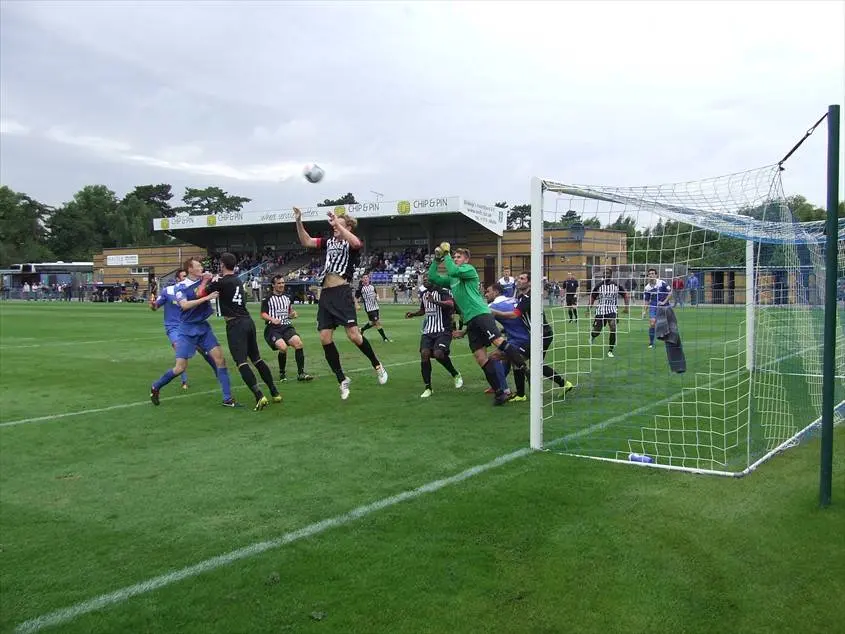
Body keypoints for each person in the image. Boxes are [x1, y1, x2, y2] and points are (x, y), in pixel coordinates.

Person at [293, 206, 388, 400]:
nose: (334, 226)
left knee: (354, 335)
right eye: (334, 224)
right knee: (324, 338)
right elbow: (306, 240)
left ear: (348, 227)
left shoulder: (350, 243)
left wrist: (338, 223)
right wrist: (298, 221)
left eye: (339, 224)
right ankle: (342, 379)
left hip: (342, 292)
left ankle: (377, 365)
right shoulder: (329, 242)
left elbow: (356, 242)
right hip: (326, 294)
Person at [428, 244, 526, 406]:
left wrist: (446, 254)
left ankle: (523, 367)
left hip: (481, 314)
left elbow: (452, 270)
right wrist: (436, 259)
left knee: (498, 342)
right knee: (481, 358)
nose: (456, 259)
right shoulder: (453, 278)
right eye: (455, 257)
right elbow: (433, 277)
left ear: (466, 259)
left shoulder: (468, 270)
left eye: (459, 257)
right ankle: (500, 393)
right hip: (470, 320)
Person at [196, 252, 281, 411]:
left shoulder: (221, 281)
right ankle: (274, 392)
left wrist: (206, 279)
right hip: (248, 321)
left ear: (222, 264)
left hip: (235, 324)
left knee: (241, 362)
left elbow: (200, 294)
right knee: (257, 359)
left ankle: (259, 395)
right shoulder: (236, 279)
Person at [150, 258, 235, 407]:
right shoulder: (180, 287)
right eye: (198, 266)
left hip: (203, 327)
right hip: (186, 330)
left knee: (220, 360)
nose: (202, 268)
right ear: (190, 269)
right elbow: (184, 305)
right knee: (180, 368)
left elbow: (216, 282)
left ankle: (227, 398)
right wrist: (208, 298)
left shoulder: (205, 280)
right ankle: (156, 386)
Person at [487, 277, 573, 401]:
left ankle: (527, 392)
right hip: (536, 335)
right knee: (520, 361)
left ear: (530, 282)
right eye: (518, 278)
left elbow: (514, 315)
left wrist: (495, 312)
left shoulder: (529, 297)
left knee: (526, 362)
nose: (518, 280)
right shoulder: (521, 298)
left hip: (542, 334)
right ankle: (523, 394)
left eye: (522, 278)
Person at [149, 269, 217, 390]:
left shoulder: (191, 290)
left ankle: (219, 373)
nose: (186, 278)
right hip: (173, 327)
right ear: (177, 279)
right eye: (183, 276)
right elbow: (155, 307)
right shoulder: (168, 291)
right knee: (180, 351)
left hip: (188, 325)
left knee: (204, 351)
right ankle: (184, 381)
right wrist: (153, 304)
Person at [405, 281, 463, 398]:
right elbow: (423, 310)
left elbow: (451, 304)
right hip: (428, 331)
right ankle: (428, 388)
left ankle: (455, 374)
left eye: (428, 277)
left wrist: (435, 301)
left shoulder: (442, 292)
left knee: (438, 353)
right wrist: (414, 314)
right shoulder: (424, 294)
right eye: (424, 277)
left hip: (443, 330)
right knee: (424, 353)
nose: (425, 279)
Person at [260, 275, 314, 382]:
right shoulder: (267, 298)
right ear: (273, 285)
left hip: (286, 326)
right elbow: (263, 314)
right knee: (283, 348)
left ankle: (301, 373)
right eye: (279, 283)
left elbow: (289, 312)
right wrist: (272, 319)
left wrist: (293, 314)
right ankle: (282, 373)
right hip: (273, 328)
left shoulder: (287, 297)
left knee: (298, 343)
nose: (281, 285)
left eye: (283, 283)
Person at [588, 268, 630, 358]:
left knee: (613, 328)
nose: (606, 274)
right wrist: (588, 308)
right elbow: (593, 297)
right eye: (604, 273)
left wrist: (626, 307)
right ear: (603, 275)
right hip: (600, 310)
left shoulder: (616, 285)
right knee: (597, 331)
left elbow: (625, 295)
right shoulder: (598, 285)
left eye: (607, 273)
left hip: (612, 310)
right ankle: (592, 336)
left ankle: (610, 350)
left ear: (611, 274)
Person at [356, 273, 391, 342]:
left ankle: (361, 330)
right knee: (377, 322)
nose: (366, 279)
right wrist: (357, 305)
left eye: (367, 277)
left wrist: (377, 297)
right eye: (364, 278)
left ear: (369, 279)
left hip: (376, 306)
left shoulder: (372, 286)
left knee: (373, 322)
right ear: (362, 279)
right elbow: (355, 298)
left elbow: (376, 293)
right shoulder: (360, 288)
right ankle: (384, 338)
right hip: (369, 308)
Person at [642, 268, 671, 348]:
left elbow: (670, 292)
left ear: (656, 275)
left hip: (664, 305)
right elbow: (647, 300)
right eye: (649, 274)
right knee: (652, 323)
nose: (651, 275)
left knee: (665, 324)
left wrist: (664, 302)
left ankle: (669, 339)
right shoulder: (647, 288)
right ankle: (651, 343)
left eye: (652, 273)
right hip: (653, 305)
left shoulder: (662, 283)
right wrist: (644, 311)